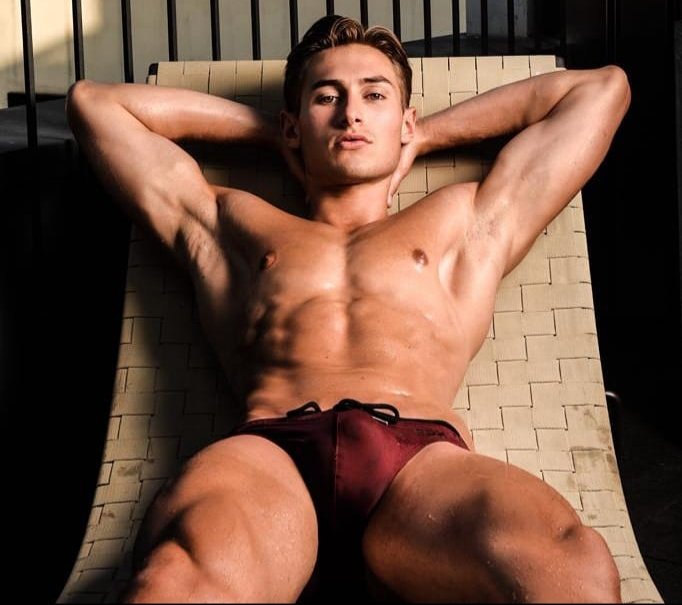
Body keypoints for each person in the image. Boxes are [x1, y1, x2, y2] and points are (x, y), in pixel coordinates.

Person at [66, 14, 630, 603]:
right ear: (294, 123)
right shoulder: (233, 223)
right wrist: (272, 134)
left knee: (573, 567)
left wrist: (424, 136)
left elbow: (600, 89)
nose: (350, 114)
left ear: (403, 118)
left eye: (374, 96)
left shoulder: (463, 221)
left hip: (421, 465)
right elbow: (96, 105)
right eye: (326, 97)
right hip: (270, 459)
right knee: (175, 582)